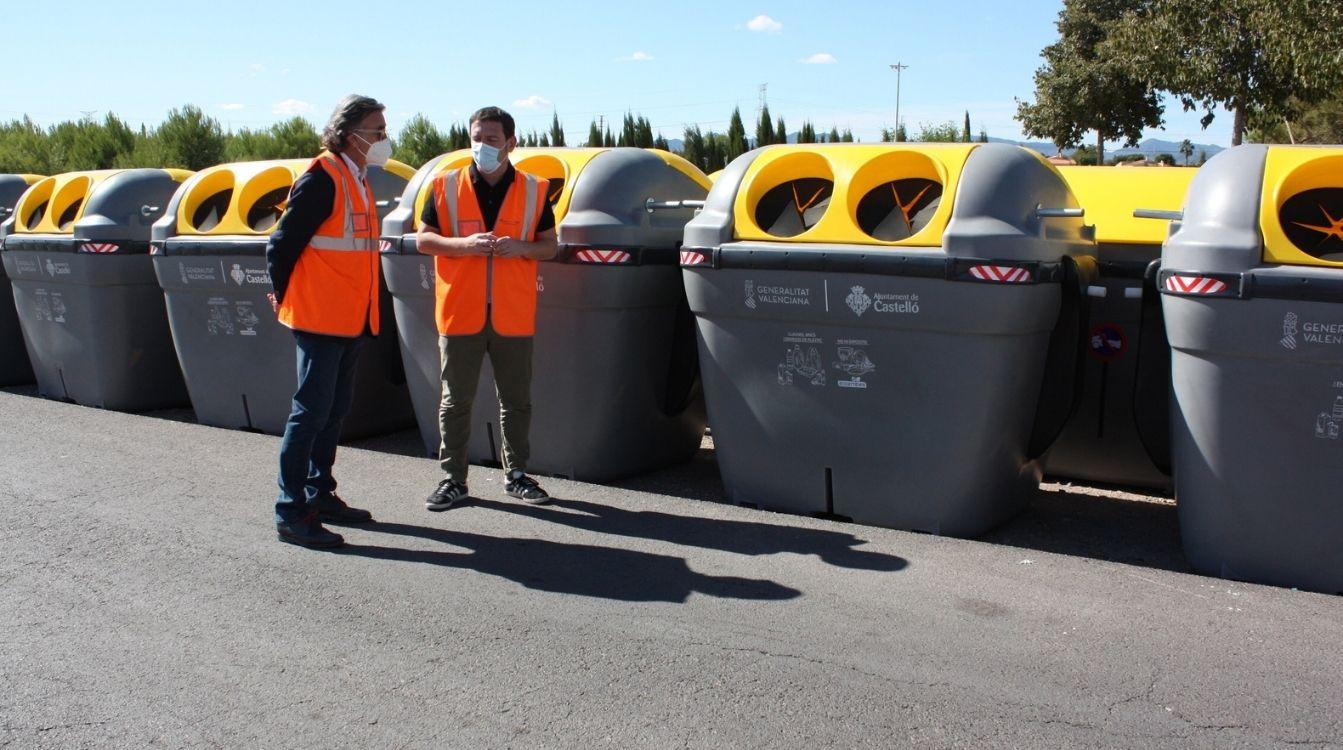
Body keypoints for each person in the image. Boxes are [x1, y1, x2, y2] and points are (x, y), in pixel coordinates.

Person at [265, 94, 392, 548]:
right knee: (310, 413)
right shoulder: (322, 177)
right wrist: (283, 298)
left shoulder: (356, 177)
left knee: (333, 412)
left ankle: (320, 493)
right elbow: (281, 245)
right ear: (349, 133)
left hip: (351, 318)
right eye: (376, 130)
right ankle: (291, 510)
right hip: (320, 316)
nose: (383, 139)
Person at [416, 106, 558, 511]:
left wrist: (522, 249)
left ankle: (517, 476)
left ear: (511, 144)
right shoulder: (444, 186)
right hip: (461, 312)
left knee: (516, 400)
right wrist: (463, 245)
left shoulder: (534, 188)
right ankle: (453, 479)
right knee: (455, 400)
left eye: (492, 140)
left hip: (513, 313)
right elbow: (423, 240)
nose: (482, 146)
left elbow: (550, 245)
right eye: (476, 138)